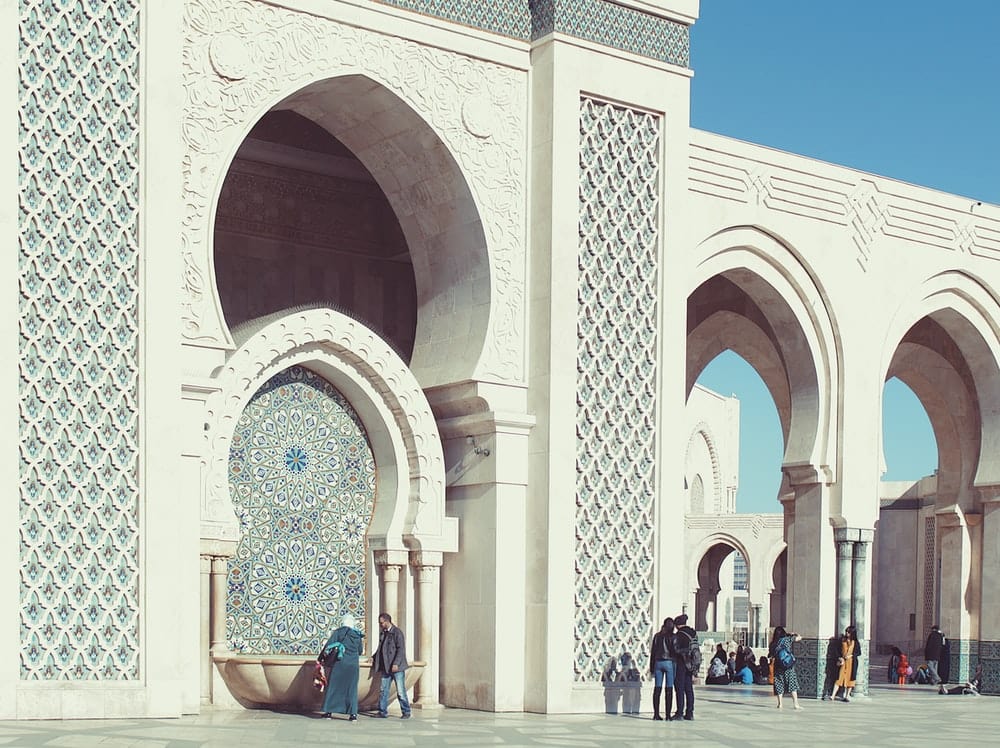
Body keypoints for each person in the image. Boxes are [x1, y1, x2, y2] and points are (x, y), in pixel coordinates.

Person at [319, 613, 365, 721]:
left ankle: (329, 712)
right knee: (352, 689)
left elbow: (328, 645)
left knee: (334, 687)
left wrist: (320, 658)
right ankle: (353, 714)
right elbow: (360, 651)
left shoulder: (339, 632)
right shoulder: (357, 635)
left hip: (340, 664)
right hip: (353, 666)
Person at [373, 612, 411, 719]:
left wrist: (396, 663)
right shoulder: (383, 633)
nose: (380, 625)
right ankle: (382, 711)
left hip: (396, 667)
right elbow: (380, 649)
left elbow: (401, 649)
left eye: (381, 623)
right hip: (386, 666)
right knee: (383, 690)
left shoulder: (397, 633)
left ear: (387, 621)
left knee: (400, 691)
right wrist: (373, 657)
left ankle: (406, 712)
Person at [769, 625, 803, 710]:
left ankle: (780, 704)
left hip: (778, 665)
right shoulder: (787, 639)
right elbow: (799, 637)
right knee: (792, 683)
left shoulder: (773, 643)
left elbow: (771, 655)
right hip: (788, 665)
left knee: (779, 684)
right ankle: (796, 704)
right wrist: (792, 634)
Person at [671, 614, 697, 720]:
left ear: (677, 625)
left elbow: (675, 649)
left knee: (680, 688)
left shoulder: (679, 635)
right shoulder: (693, 633)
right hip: (690, 664)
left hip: (681, 663)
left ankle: (679, 713)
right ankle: (690, 712)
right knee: (689, 689)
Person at [648, 618, 675, 720]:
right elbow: (675, 650)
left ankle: (656, 714)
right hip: (668, 663)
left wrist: (651, 668)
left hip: (658, 662)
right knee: (669, 689)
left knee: (657, 689)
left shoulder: (657, 636)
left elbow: (653, 652)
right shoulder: (672, 636)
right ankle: (668, 715)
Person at [829, 625, 861, 702]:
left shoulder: (855, 642)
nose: (847, 633)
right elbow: (837, 650)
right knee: (839, 678)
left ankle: (847, 696)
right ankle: (833, 695)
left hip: (851, 663)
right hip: (842, 662)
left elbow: (858, 652)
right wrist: (839, 657)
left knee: (850, 679)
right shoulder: (842, 640)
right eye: (846, 631)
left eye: (849, 632)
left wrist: (851, 655)